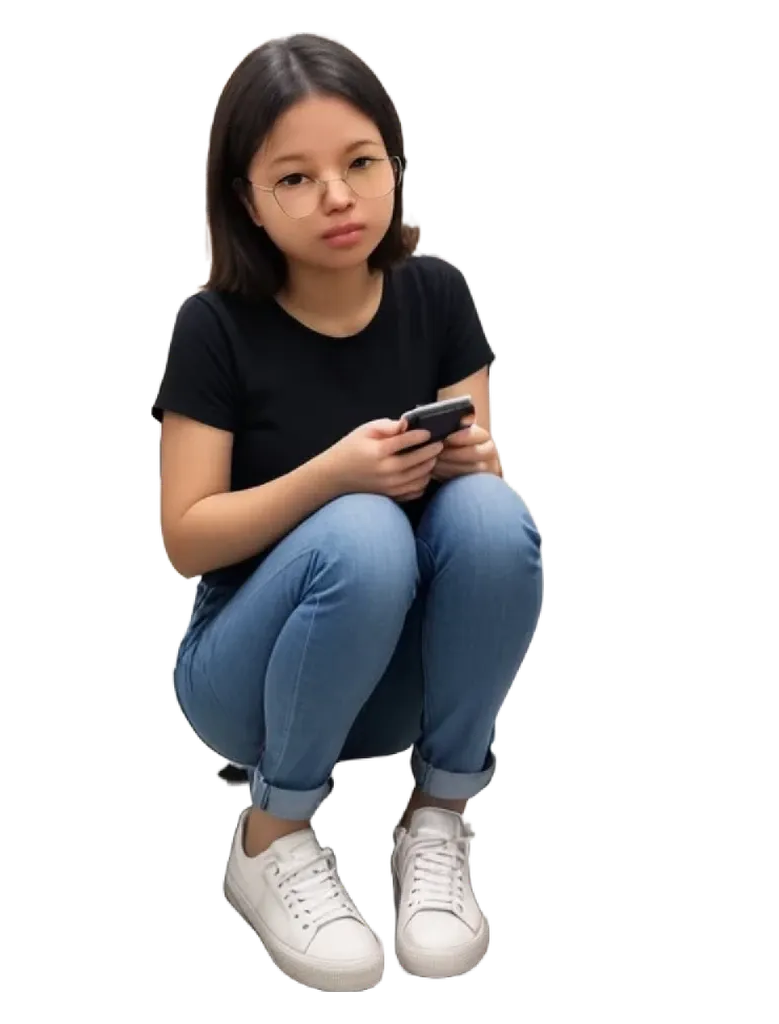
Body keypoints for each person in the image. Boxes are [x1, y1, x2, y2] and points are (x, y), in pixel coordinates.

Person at [155, 32, 543, 991]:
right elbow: (185, 538)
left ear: (395, 165)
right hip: (249, 678)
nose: (338, 196)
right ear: (245, 199)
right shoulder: (215, 326)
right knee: (362, 530)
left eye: (361, 162)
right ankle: (270, 834)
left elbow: (473, 519)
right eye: (295, 176)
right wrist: (332, 477)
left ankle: (439, 816)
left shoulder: (437, 293)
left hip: (400, 680)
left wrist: (470, 465)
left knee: (497, 519)